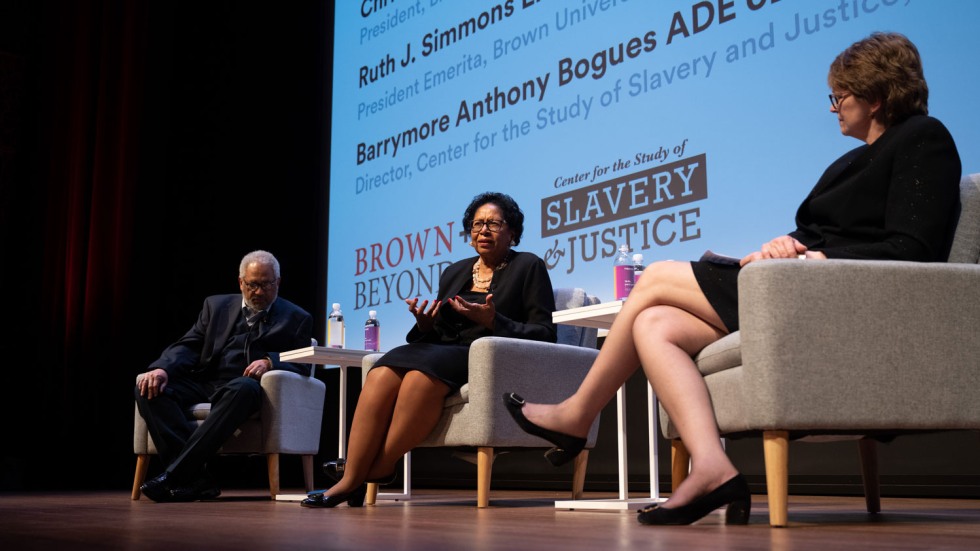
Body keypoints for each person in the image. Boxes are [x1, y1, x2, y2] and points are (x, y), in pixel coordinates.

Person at [504, 31, 961, 526]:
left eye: (840, 96)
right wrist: (780, 248)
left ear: (875, 95)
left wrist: (814, 258)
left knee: (654, 276)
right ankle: (713, 468)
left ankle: (577, 415)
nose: (834, 108)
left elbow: (911, 249)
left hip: (840, 298)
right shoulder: (852, 160)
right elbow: (818, 231)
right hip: (800, 288)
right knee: (653, 323)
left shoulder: (924, 137)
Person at [302, 192, 557, 508]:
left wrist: (495, 321)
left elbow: (545, 333)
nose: (484, 231)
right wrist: (424, 324)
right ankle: (355, 475)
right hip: (442, 349)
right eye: (477, 224)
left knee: (420, 378)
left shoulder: (528, 265)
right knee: (381, 371)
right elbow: (441, 330)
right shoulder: (455, 271)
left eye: (493, 223)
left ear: (512, 232)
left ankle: (371, 470)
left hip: (488, 356)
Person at [136, 250, 313, 502]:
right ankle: (198, 479)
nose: (259, 292)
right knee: (149, 388)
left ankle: (175, 475)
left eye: (266, 284)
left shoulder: (296, 318)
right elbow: (189, 345)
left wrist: (269, 361)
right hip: (207, 381)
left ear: (278, 282)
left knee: (243, 388)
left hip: (246, 389)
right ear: (241, 282)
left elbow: (303, 364)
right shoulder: (216, 306)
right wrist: (161, 368)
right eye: (252, 285)